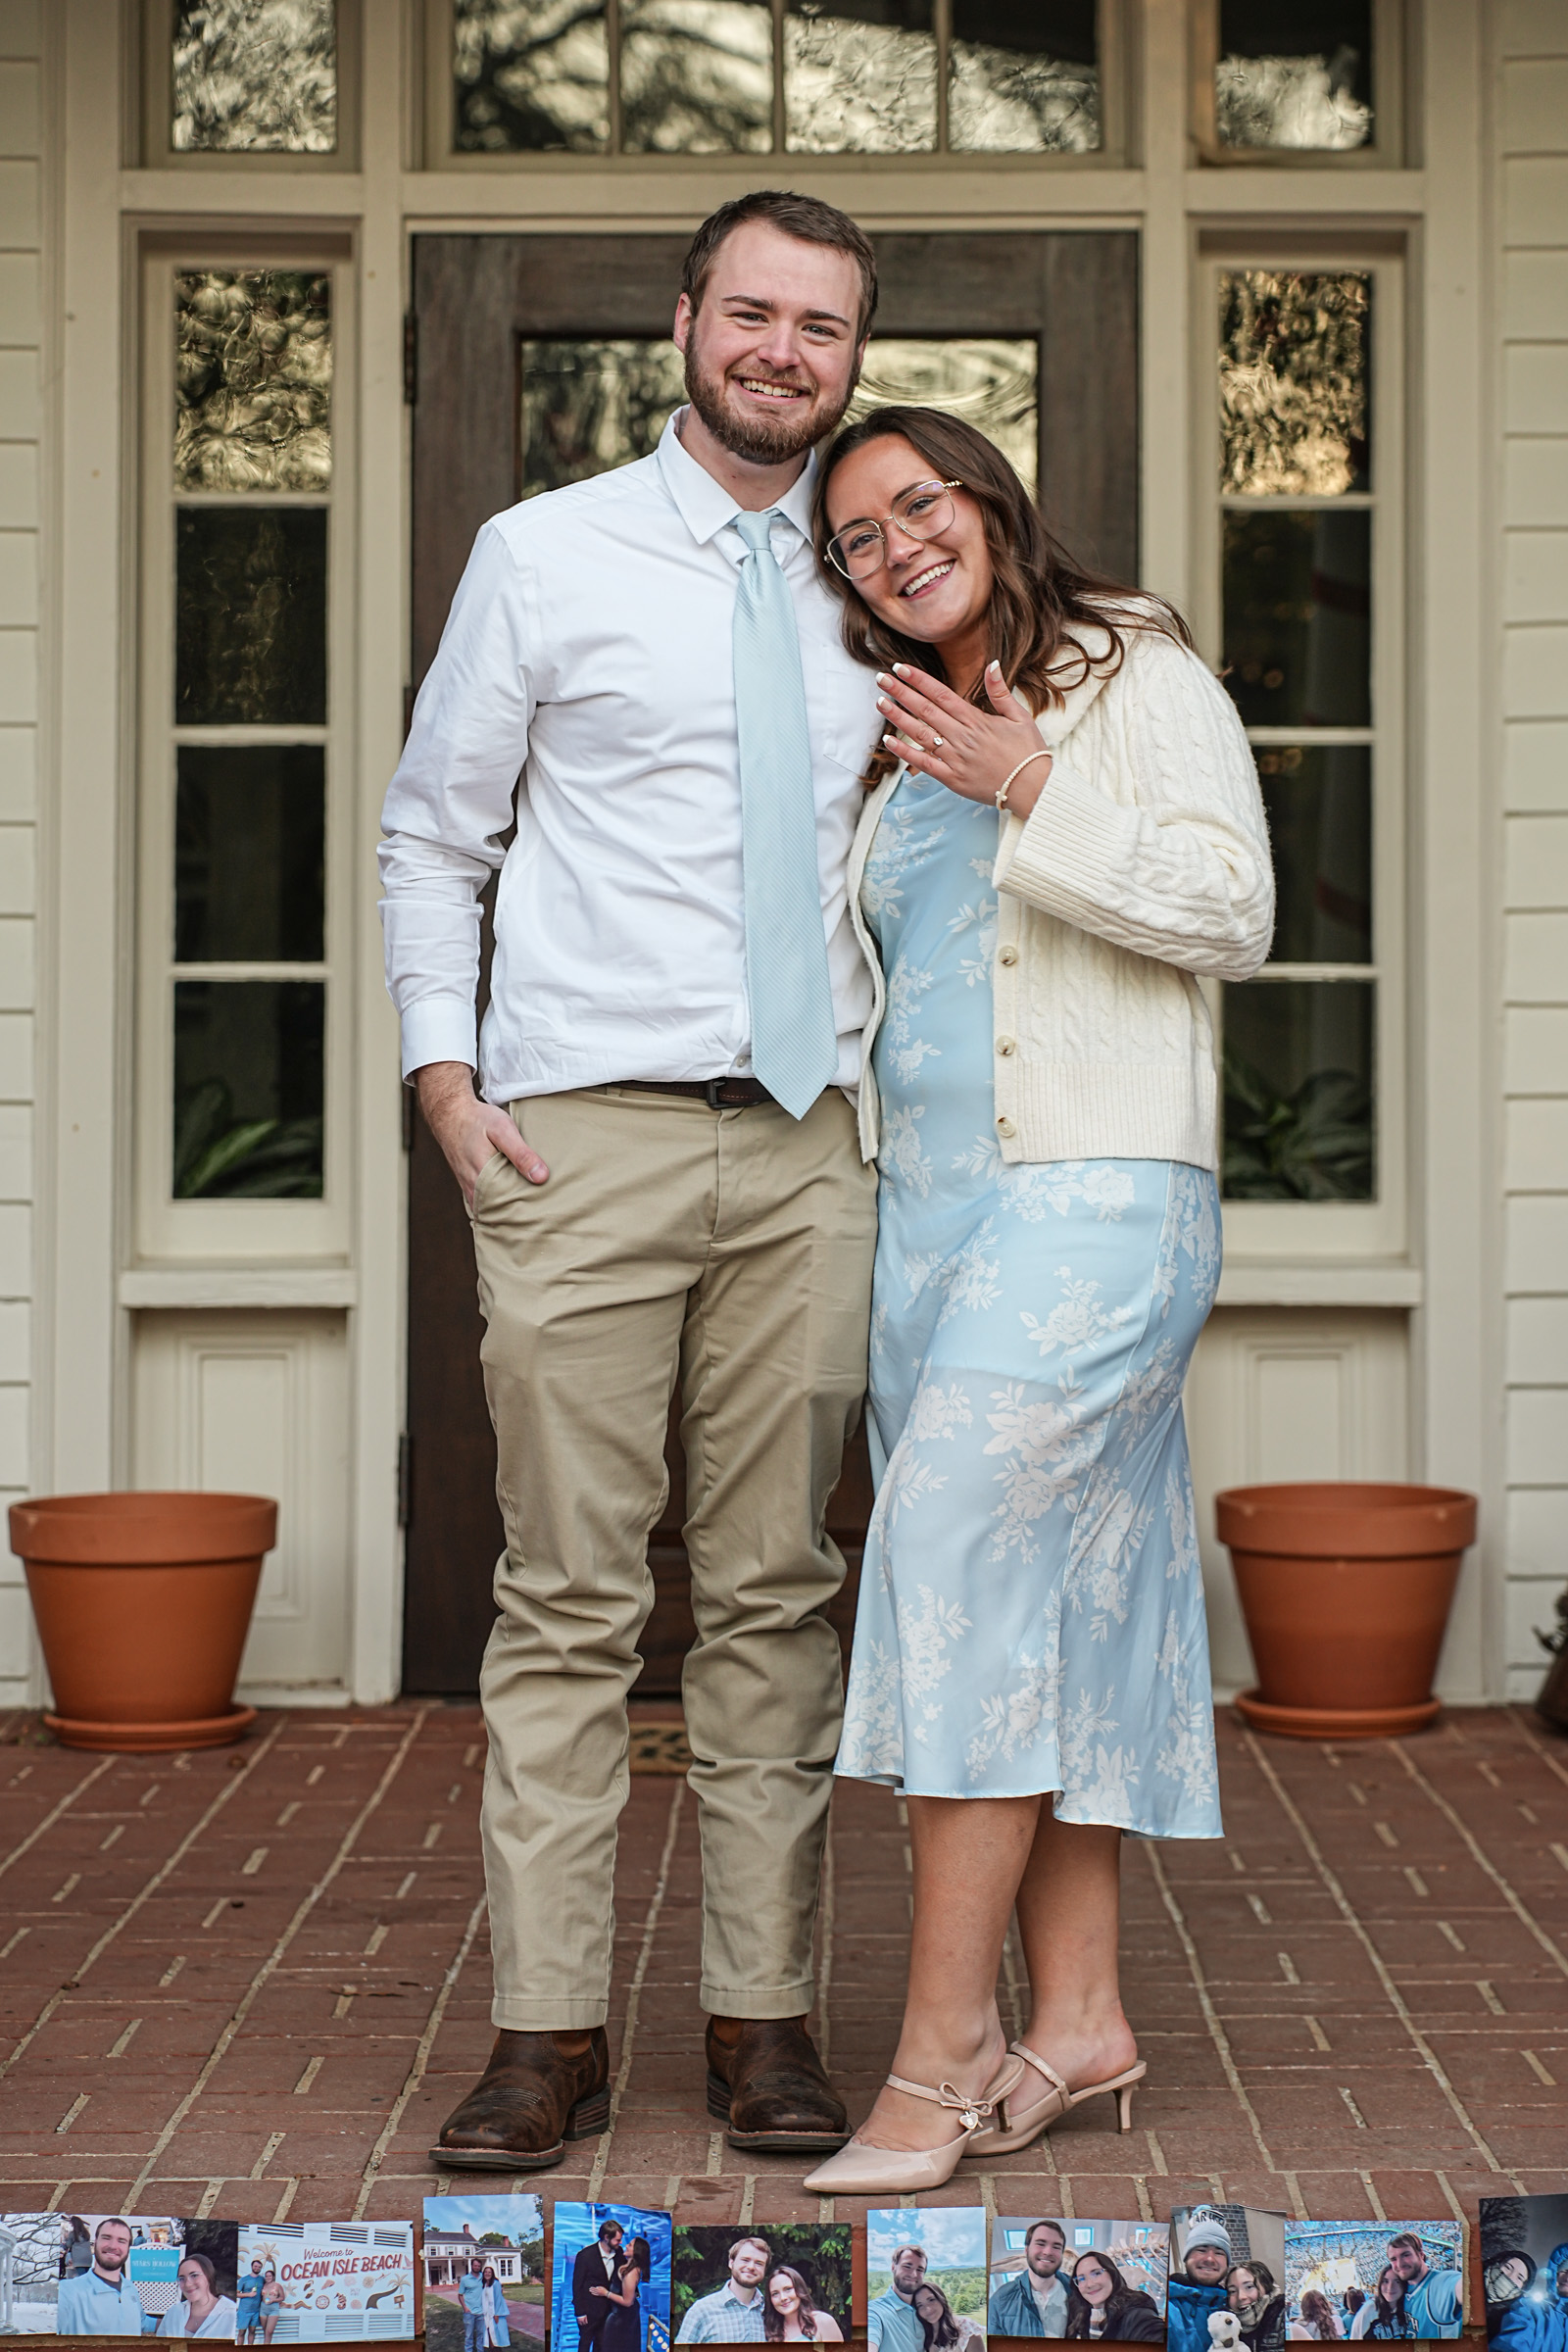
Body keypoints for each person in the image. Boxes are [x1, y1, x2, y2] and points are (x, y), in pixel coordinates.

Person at [383, 187, 887, 2174]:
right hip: (578, 1133)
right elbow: (437, 834)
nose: (781, 352)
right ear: (684, 322)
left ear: (854, 358)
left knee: (776, 1592)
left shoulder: (882, 570)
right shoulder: (545, 554)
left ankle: (764, 2021)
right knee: (568, 1600)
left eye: (820, 327)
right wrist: (443, 1081)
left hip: (811, 1144)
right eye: (752, 312)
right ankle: (547, 2034)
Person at [800, 396, 1270, 2197]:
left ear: (990, 503)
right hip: (932, 1228)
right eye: (857, 536)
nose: (897, 546)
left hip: (1100, 1195)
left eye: (920, 504)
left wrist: (1028, 786)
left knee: (952, 1565)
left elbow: (1232, 907)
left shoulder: (1127, 668)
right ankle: (1078, 2022)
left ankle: (941, 2058)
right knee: (1063, 1596)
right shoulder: (888, 732)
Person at [55, 2216, 154, 2335]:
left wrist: (172, 2319)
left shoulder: (130, 2288)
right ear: (95, 2242)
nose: (113, 2246)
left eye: (121, 2241)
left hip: (79, 2260)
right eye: (106, 2238)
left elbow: (142, 2322)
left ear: (128, 2248)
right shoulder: (67, 2291)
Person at [678, 2234, 771, 2343]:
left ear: (765, 2270)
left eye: (759, 2263)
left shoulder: (770, 2312)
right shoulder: (702, 2310)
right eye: (745, 2260)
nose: (751, 2267)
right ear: (731, 2263)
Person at [990, 2222, 1071, 2338]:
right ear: (1027, 2250)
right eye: (1040, 2244)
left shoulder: (1078, 2291)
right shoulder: (1000, 2300)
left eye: (1056, 2247)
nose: (1048, 2252)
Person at [1167, 2223, 1237, 2352]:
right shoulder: (1168, 2310)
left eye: (1219, 2252)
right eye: (1201, 2250)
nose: (1210, 2259)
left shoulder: (1233, 2308)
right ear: (1186, 2258)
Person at [1063, 2252, 1163, 2343]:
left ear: (1112, 2274)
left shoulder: (1136, 2312)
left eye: (1097, 2273)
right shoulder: (1077, 2312)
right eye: (1081, 2279)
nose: (1089, 2284)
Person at [1384, 2234, 1462, 2338]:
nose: (1399, 2264)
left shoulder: (1439, 2283)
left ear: (1420, 2254)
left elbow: (1462, 2287)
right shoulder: (1399, 2289)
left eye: (1406, 2255)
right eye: (1393, 2259)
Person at [157, 2252, 238, 2339]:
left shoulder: (233, 2314)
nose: (187, 2284)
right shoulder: (174, 2313)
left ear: (208, 2276)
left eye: (194, 2275)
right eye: (182, 2278)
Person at [592, 2236, 652, 2352]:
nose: (626, 2246)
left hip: (622, 2319)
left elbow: (627, 2301)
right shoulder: (627, 2267)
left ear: (636, 2251)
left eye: (630, 2245)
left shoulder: (631, 2273)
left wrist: (606, 2293)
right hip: (620, 2316)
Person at [576, 2224, 627, 2352]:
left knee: (602, 2344)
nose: (621, 2243)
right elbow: (577, 2285)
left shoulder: (619, 2252)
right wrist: (580, 2312)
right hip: (589, 2311)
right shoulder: (585, 2256)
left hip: (609, 2311)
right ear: (606, 2237)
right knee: (585, 2344)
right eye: (617, 2240)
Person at [868, 2248, 929, 2352]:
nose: (914, 2274)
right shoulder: (874, 2312)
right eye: (907, 2266)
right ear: (893, 2267)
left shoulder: (925, 2309)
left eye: (920, 2269)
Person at [765, 2265, 844, 2342]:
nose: (783, 2298)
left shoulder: (823, 2322)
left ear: (800, 2289)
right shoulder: (770, 2332)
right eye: (775, 2294)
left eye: (788, 2289)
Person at [1229, 2264, 1287, 2352]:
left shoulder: (1285, 2316)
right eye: (1232, 2291)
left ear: (1267, 2287)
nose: (1240, 2297)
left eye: (1249, 2287)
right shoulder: (1227, 2328)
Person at [911, 2282, 983, 2352]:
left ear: (941, 2299)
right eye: (920, 2305)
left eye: (931, 2300)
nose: (927, 2309)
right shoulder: (918, 2334)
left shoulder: (966, 2329)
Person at [1349, 2269, 1411, 2342]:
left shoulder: (1408, 2307)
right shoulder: (1369, 2309)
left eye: (1397, 2281)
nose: (1390, 2287)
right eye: (1385, 2281)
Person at [460, 2256, 492, 2352]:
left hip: (481, 2312)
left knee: (480, 2335)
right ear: (471, 2266)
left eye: (478, 2266)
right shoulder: (465, 2279)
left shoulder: (483, 2277)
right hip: (469, 2312)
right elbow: (460, 2295)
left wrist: (500, 2287)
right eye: (475, 2265)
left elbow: (494, 2280)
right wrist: (465, 2308)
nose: (477, 2267)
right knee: (469, 2335)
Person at [236, 2258, 267, 2345]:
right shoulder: (244, 2279)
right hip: (244, 2311)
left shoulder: (262, 2279)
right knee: (241, 2332)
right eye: (255, 2266)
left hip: (256, 2311)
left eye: (259, 2267)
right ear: (252, 2266)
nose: (257, 2268)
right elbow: (237, 2294)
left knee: (252, 2331)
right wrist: (248, 2294)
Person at [484, 2261, 513, 2349]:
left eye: (489, 2272)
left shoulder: (495, 2283)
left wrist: (497, 2314)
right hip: (487, 2312)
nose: (487, 2274)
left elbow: (498, 2299)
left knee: (496, 2333)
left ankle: (496, 2349)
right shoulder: (484, 2284)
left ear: (492, 2274)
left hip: (495, 2311)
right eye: (486, 2272)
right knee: (489, 2333)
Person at [258, 2273, 285, 2347]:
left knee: (269, 2331)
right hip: (263, 2309)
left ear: (273, 2277)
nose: (268, 2277)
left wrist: (273, 2300)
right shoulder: (263, 2285)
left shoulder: (278, 2285)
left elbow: (282, 2297)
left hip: (273, 2309)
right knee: (265, 2331)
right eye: (266, 2276)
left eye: (270, 2276)